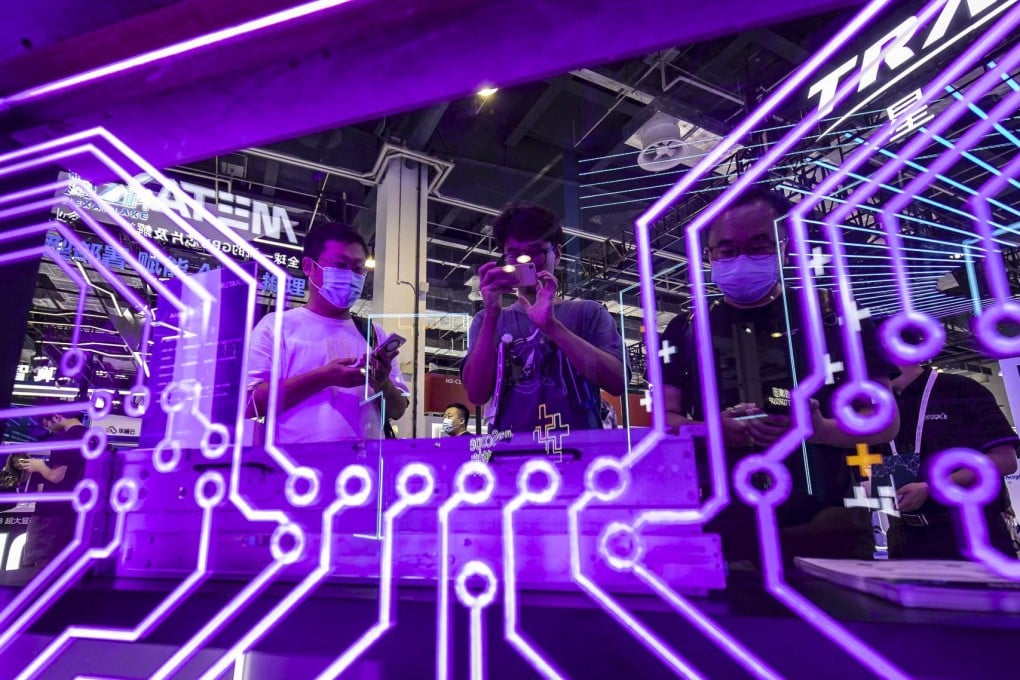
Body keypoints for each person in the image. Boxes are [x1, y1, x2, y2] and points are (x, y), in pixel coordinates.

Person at [658, 187, 899, 563]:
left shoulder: (836, 315)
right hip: (719, 528)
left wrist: (819, 429)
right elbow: (663, 422)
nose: (740, 259)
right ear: (709, 256)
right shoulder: (685, 328)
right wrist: (711, 430)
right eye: (726, 250)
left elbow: (884, 422)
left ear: (784, 246)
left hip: (829, 524)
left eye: (758, 246)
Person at [462, 203, 626, 436]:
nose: (523, 262)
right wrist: (491, 315)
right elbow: (477, 394)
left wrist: (552, 326)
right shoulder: (487, 319)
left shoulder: (589, 313)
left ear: (557, 254)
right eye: (513, 254)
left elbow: (617, 382)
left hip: (578, 454)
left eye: (535, 252)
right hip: (511, 455)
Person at [246, 222, 408, 444]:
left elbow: (398, 410)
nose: (350, 276)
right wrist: (325, 377)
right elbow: (250, 403)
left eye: (358, 269)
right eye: (340, 265)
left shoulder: (373, 334)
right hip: (297, 469)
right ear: (309, 267)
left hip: (365, 470)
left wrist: (383, 384)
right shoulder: (276, 327)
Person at [879, 360, 1018, 559]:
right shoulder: (880, 406)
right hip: (905, 537)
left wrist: (931, 488)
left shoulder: (960, 389)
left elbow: (1005, 461)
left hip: (971, 534)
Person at [16, 407, 87, 568]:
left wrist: (38, 466)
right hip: (75, 513)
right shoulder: (93, 437)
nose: (47, 428)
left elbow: (56, 476)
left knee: (40, 565)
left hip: (51, 513)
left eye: (46, 423)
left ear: (56, 416)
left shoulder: (65, 438)